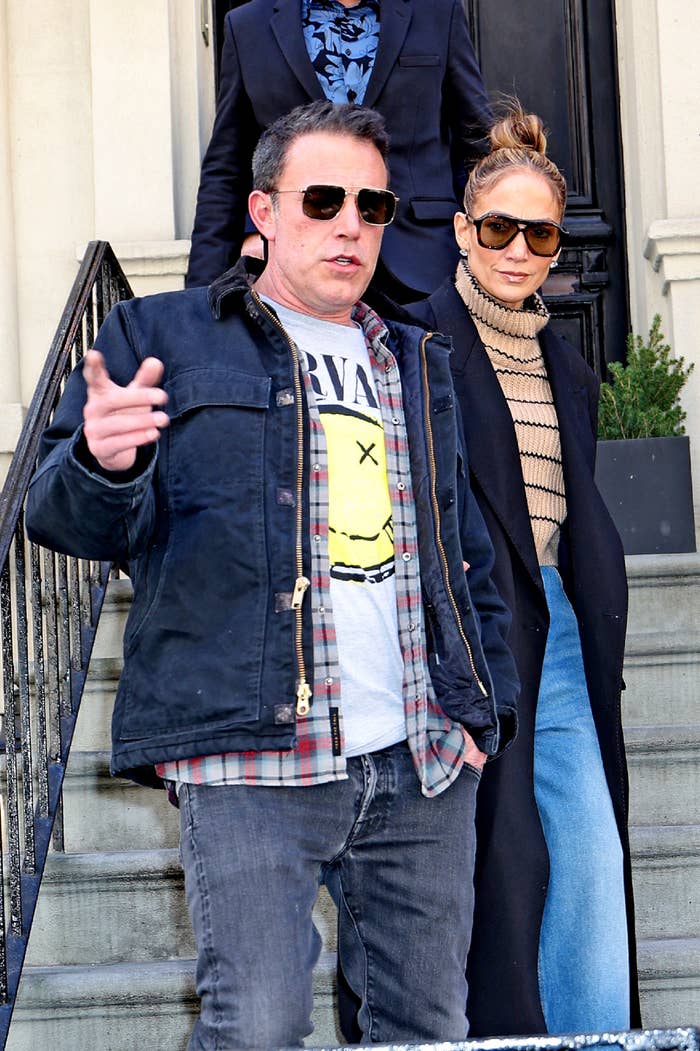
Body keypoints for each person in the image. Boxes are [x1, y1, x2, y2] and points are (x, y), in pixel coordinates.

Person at [26, 100, 519, 1049]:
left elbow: (466, 554)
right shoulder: (163, 337)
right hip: (251, 755)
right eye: (323, 199)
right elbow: (63, 518)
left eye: (373, 206)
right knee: (256, 1028)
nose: (350, 225)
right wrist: (102, 460)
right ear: (263, 211)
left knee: (428, 1029)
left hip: (419, 759)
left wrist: (477, 713)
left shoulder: (414, 360)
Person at [407, 102, 641, 1036]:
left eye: (539, 233)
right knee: (497, 867)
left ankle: (593, 1035)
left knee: (590, 854)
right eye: (499, 228)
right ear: (463, 231)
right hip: (465, 626)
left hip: (559, 630)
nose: (517, 249)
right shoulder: (417, 344)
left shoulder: (566, 366)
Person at [185, 0, 492, 300]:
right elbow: (228, 168)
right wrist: (198, 298)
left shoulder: (438, 10)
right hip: (298, 268)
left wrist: (494, 244)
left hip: (422, 261)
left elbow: (478, 147)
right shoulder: (248, 25)